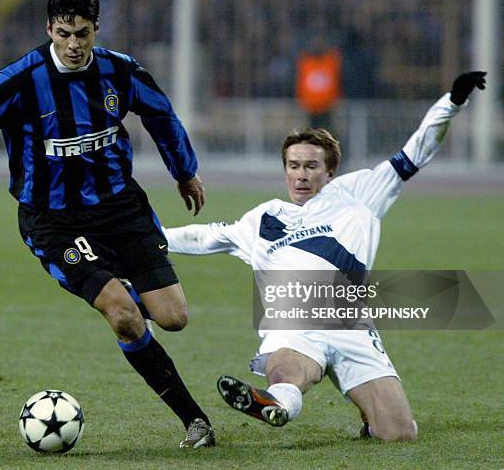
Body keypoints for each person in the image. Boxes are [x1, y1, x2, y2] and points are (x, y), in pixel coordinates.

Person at [0, 0, 215, 449]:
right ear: (49, 29)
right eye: (63, 33)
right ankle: (196, 422)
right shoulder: (19, 81)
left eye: (82, 33)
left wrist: (185, 171)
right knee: (122, 315)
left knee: (174, 317)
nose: (73, 44)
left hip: (121, 209)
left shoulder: (120, 72)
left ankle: (130, 296)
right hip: (54, 221)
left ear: (97, 29)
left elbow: (161, 115)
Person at [164, 72, 486, 441]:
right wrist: (147, 236)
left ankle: (369, 419)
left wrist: (452, 103)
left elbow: (416, 152)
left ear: (329, 172)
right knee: (288, 373)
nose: (301, 175)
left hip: (350, 321)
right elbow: (205, 237)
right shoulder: (265, 217)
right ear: (285, 169)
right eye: (293, 166)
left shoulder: (356, 195)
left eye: (311, 166)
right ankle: (276, 404)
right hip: (293, 322)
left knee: (400, 434)